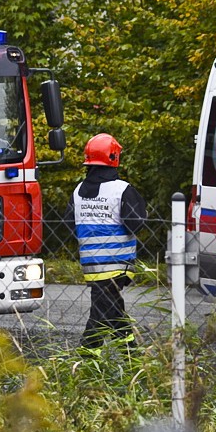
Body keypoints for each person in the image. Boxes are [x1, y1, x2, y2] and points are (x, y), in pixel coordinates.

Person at [64, 133, 147, 350]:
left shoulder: (77, 191)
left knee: (109, 309)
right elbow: (135, 224)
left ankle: (130, 355)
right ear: (114, 157)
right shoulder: (122, 189)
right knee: (105, 312)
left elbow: (68, 223)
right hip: (118, 264)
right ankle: (89, 354)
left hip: (91, 265)